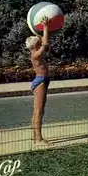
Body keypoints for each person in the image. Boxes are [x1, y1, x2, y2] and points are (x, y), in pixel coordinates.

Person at [25, 17, 51, 146]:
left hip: (42, 80)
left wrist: (42, 29)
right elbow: (45, 43)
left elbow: (44, 41)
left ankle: (35, 137)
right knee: (39, 111)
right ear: (35, 45)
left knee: (38, 111)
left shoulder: (36, 53)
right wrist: (45, 26)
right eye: (38, 43)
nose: (40, 44)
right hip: (40, 81)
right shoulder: (35, 55)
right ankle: (38, 140)